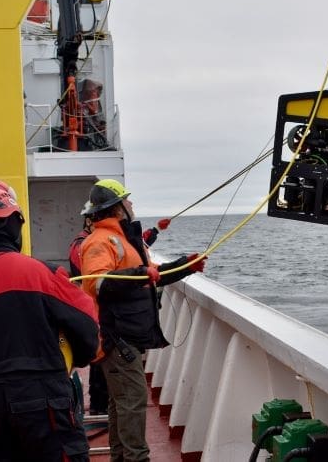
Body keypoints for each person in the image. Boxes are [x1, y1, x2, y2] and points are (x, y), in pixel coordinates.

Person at [0, 184, 100, 461]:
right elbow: (87, 329)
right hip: (46, 400)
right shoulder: (43, 274)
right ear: (16, 225)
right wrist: (75, 360)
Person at [79, 179, 206, 461]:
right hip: (115, 338)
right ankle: (136, 458)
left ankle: (122, 457)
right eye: (127, 200)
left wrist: (185, 266)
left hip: (127, 336)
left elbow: (150, 274)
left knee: (120, 403)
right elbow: (97, 283)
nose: (132, 204)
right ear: (117, 208)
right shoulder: (100, 242)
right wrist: (139, 274)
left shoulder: (124, 239)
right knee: (132, 402)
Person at [68, 201, 109, 416]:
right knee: (98, 357)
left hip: (96, 306)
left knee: (100, 357)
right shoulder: (81, 244)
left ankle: (100, 403)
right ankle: (98, 405)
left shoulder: (85, 242)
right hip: (92, 306)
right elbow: (88, 272)